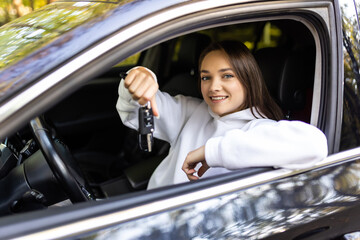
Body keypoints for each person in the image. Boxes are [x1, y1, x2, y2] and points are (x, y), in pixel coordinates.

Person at [116, 40, 328, 189]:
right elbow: (135, 110)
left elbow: (315, 145)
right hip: (151, 212)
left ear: (248, 79)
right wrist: (140, 78)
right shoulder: (193, 111)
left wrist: (213, 152)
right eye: (205, 78)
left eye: (227, 76)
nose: (213, 87)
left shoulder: (259, 129)